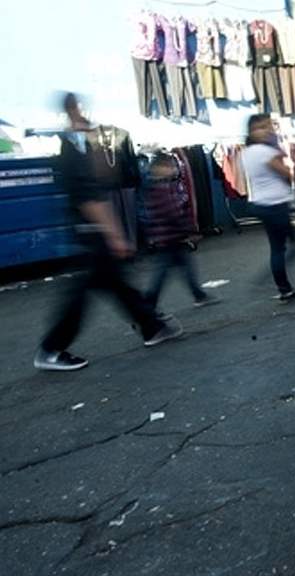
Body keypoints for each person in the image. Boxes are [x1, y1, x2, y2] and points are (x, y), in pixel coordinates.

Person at [33, 92, 183, 371]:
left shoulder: (80, 146)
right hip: (91, 229)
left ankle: (152, 327)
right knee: (84, 291)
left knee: (115, 282)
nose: (85, 114)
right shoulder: (72, 150)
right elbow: (88, 198)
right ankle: (52, 348)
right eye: (79, 109)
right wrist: (115, 235)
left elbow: (104, 180)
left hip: (93, 229)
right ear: (70, 110)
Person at [140, 151, 220, 315]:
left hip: (169, 237)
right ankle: (149, 302)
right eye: (169, 167)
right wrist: (189, 232)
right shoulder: (162, 189)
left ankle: (198, 294)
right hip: (170, 237)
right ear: (158, 168)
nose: (173, 170)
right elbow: (173, 214)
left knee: (184, 268)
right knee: (162, 273)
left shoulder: (160, 187)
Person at [241, 113, 295, 303]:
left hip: (261, 204)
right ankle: (270, 280)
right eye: (261, 127)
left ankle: (284, 289)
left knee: (277, 248)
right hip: (276, 205)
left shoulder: (247, 153)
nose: (267, 130)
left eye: (269, 126)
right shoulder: (265, 152)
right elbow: (288, 173)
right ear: (251, 132)